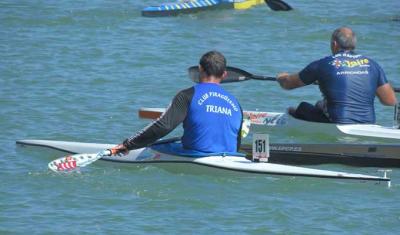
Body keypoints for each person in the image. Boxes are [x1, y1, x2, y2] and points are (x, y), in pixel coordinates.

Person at [110, 51, 243, 156]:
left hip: (196, 158)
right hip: (231, 158)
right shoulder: (236, 103)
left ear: (200, 69)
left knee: (155, 147)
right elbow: (236, 143)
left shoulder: (187, 95)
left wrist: (128, 145)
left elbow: (163, 126)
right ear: (224, 74)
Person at [276, 26, 397, 124]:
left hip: (338, 124)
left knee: (302, 107)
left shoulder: (322, 64)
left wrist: (281, 77)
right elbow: (390, 101)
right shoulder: (372, 65)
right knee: (320, 104)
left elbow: (288, 84)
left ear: (334, 44)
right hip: (368, 123)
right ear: (354, 45)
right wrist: (373, 83)